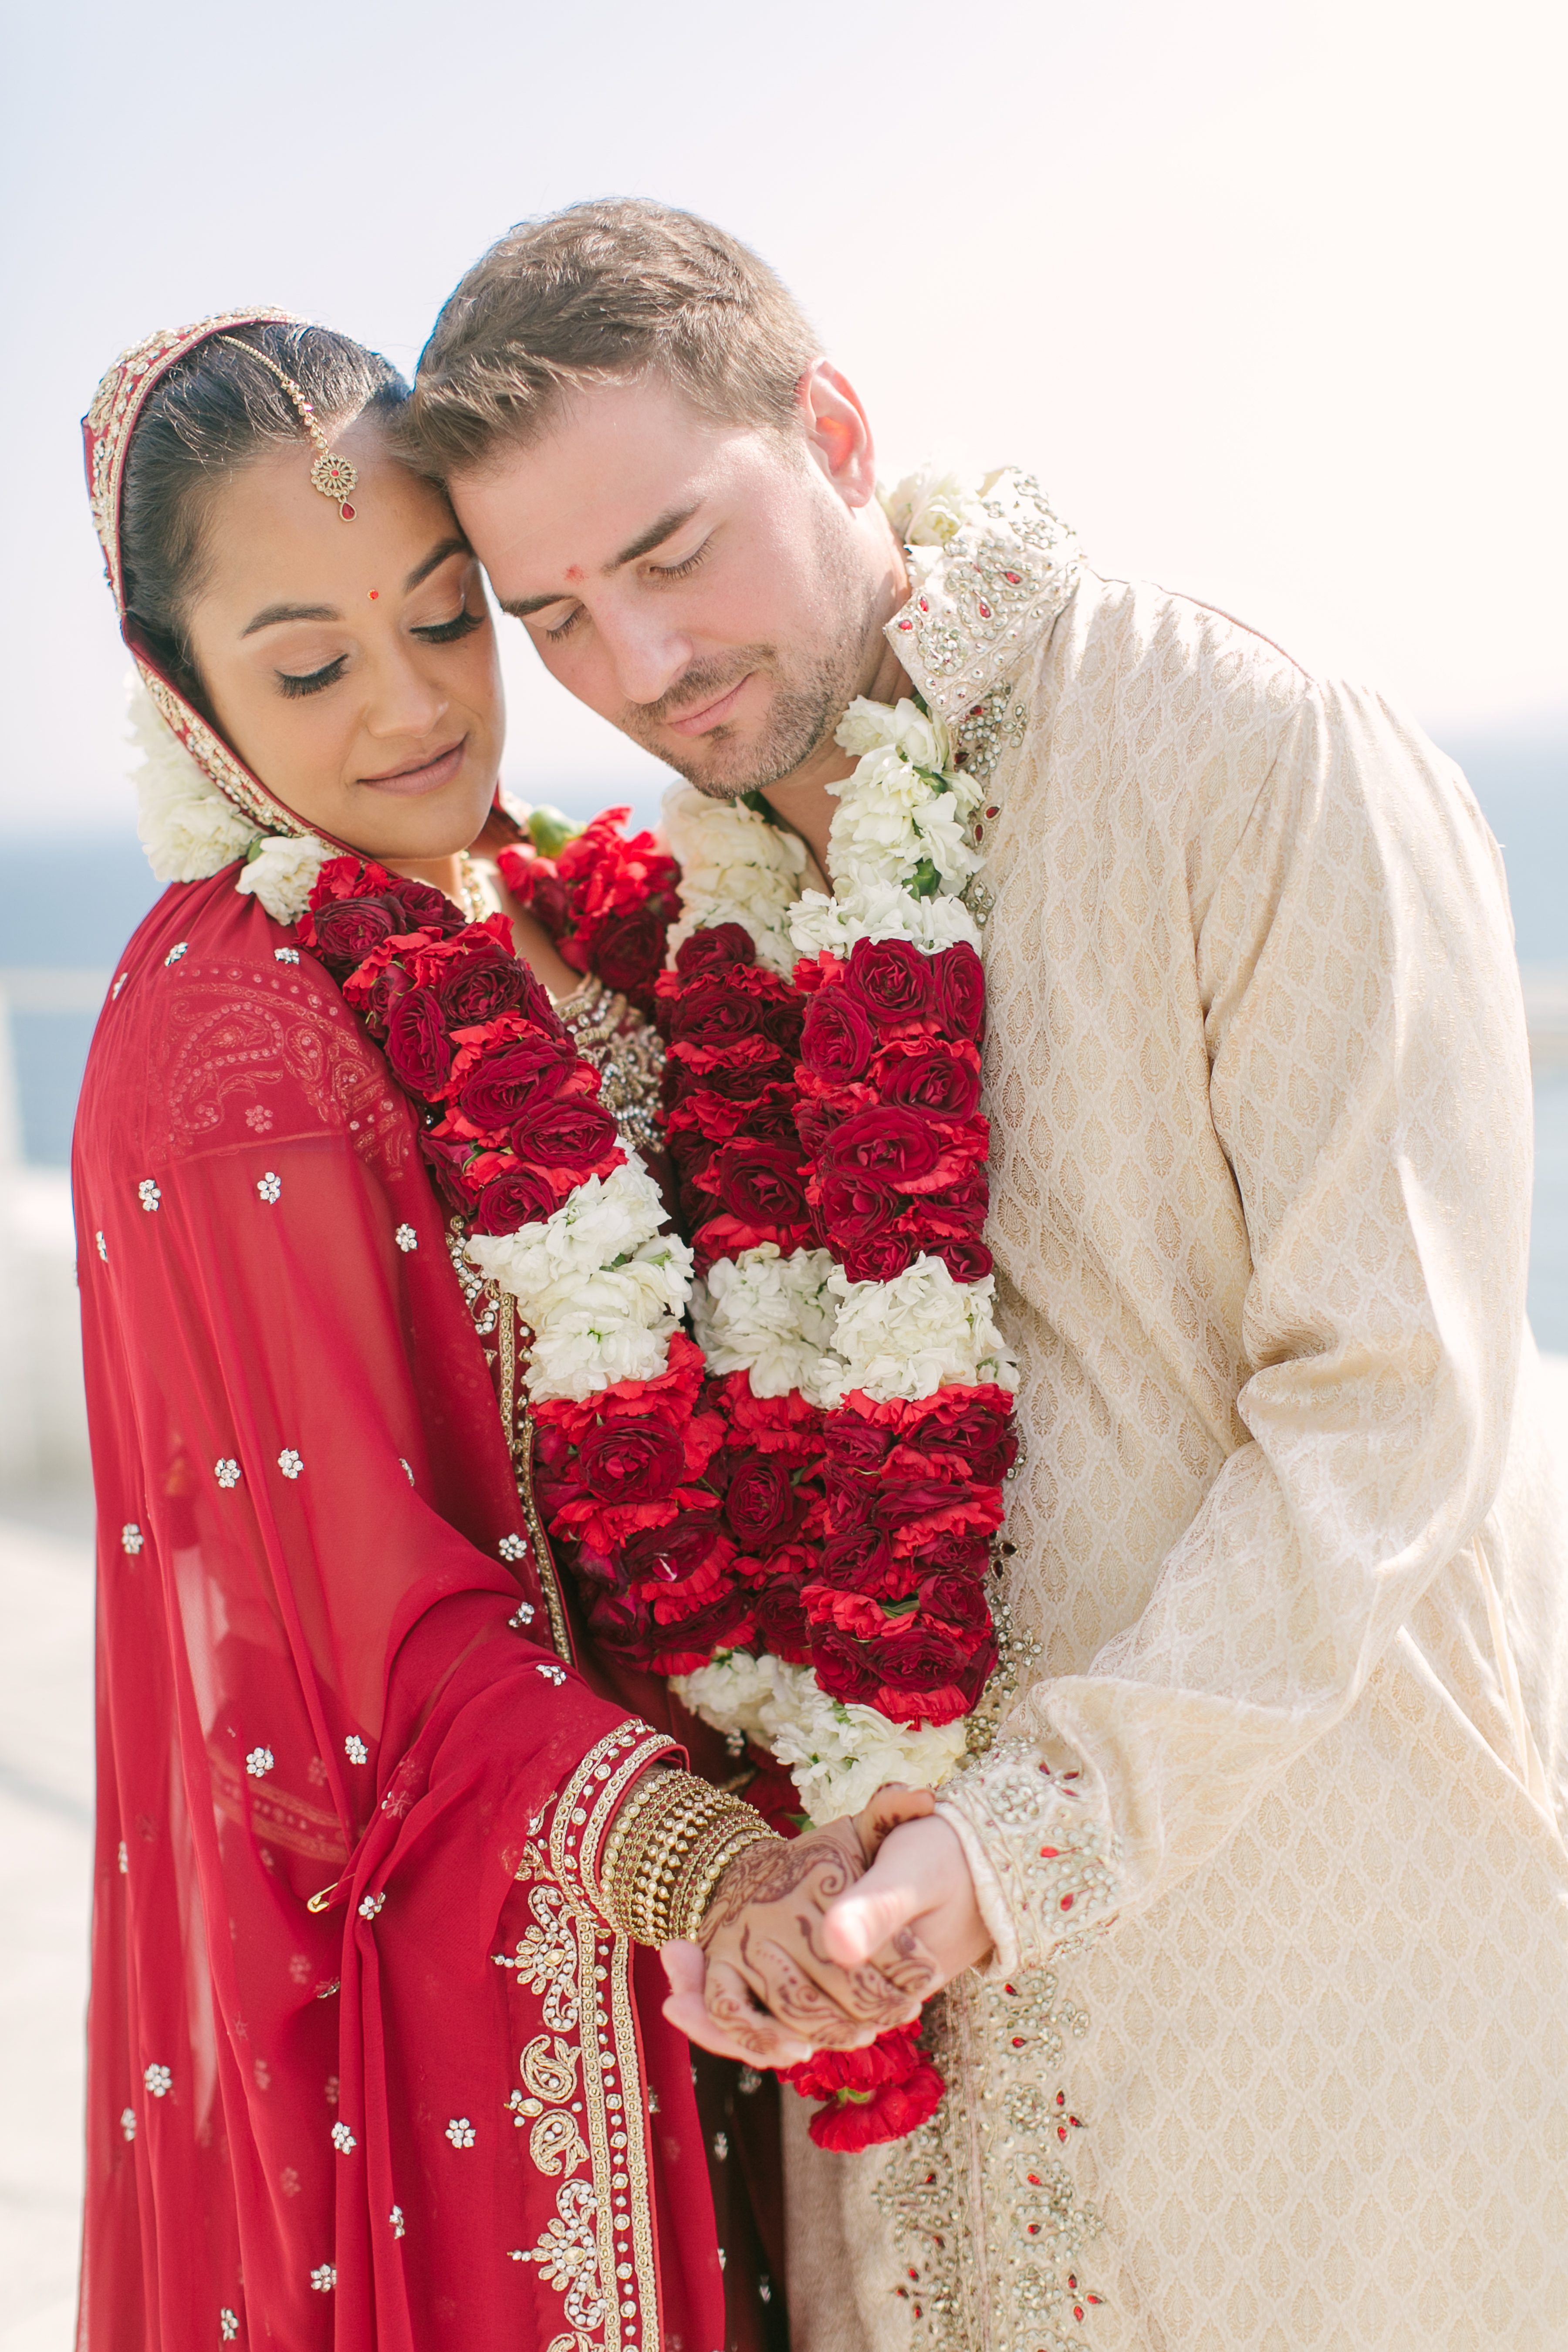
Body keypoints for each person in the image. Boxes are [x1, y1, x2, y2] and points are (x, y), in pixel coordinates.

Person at [404, 202, 1568, 2349]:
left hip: (1329, 1992)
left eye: (673, 553)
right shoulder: (712, 896)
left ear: (834, 431)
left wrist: (1029, 1843)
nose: (639, 671)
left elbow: (1393, 1403)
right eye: (556, 615)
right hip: (917, 2065)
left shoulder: (1247, 747)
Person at [77, 311, 929, 2351]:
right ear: (178, 688)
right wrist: (716, 1872)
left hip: (760, 1917)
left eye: (448, 621)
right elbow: (364, 1640)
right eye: (307, 665)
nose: (408, 709)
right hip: (505, 1964)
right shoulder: (228, 1039)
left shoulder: (546, 897)